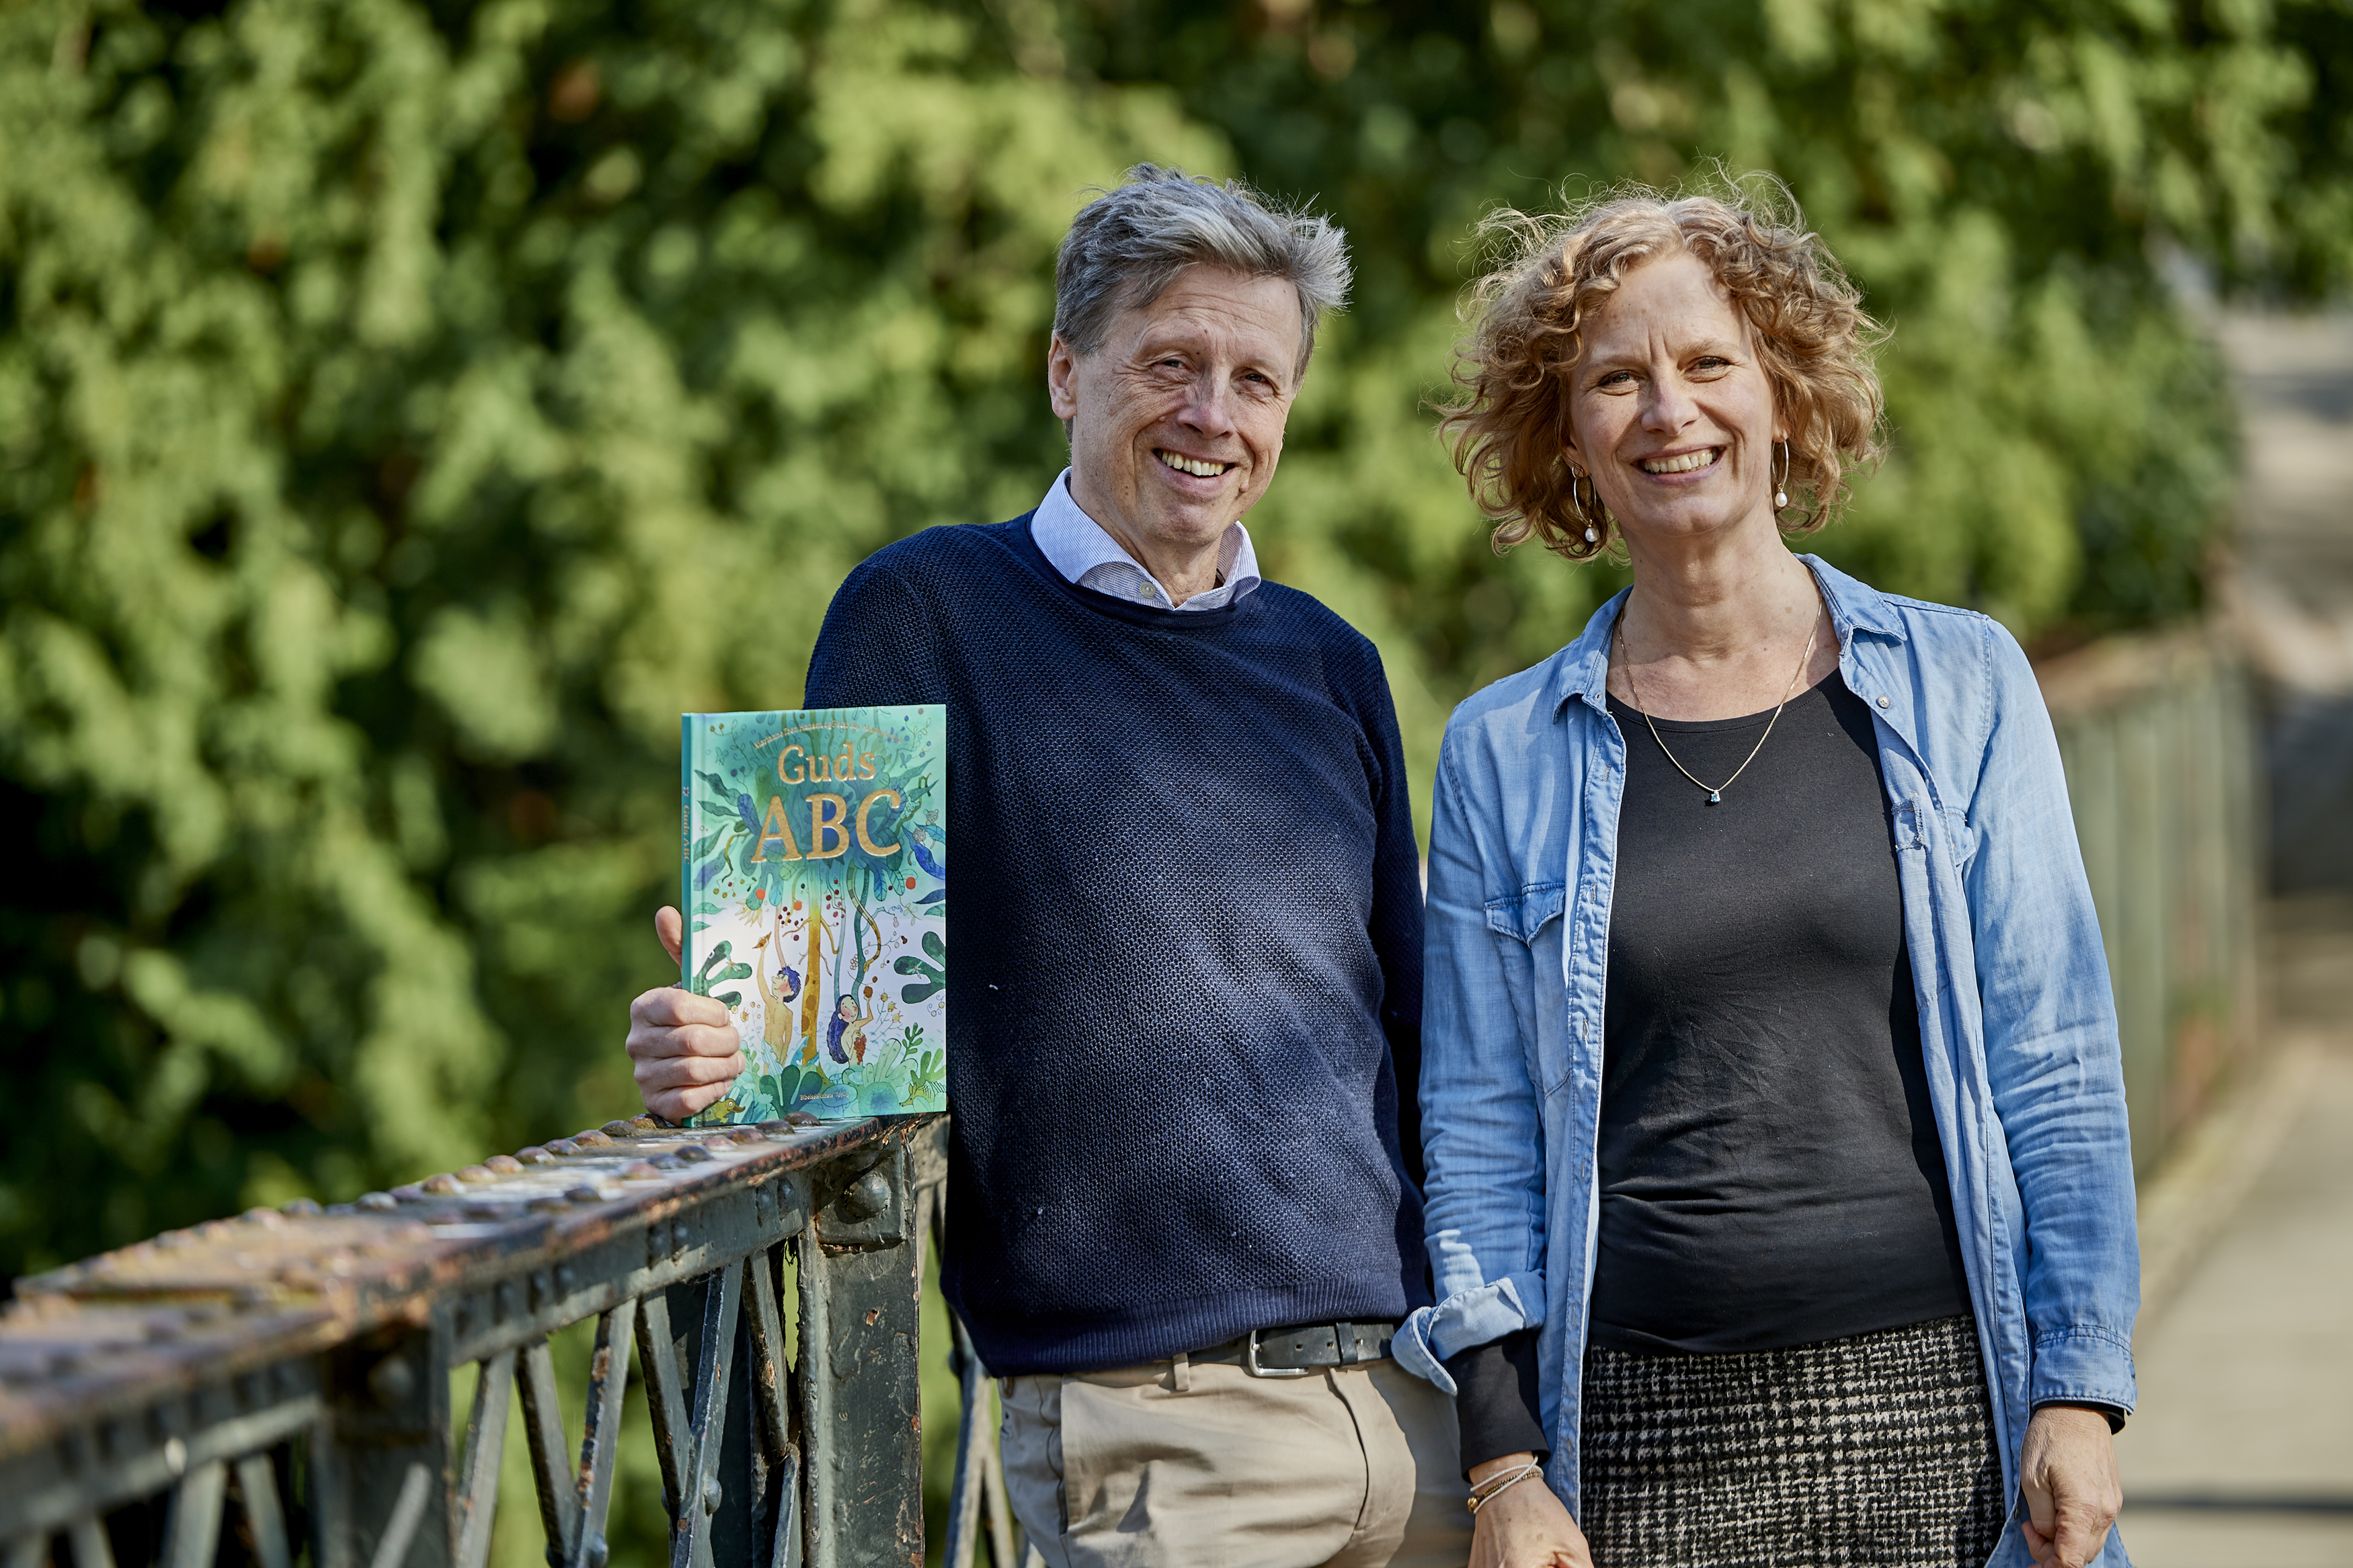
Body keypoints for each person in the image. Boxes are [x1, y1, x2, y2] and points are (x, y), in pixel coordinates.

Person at [624, 166, 1468, 1568]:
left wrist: (1496, 1425)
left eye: (1257, 380)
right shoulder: (921, 610)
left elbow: (1423, 1038)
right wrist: (718, 1052)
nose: (1214, 414)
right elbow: (809, 1033)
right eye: (1171, 364)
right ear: (1066, 370)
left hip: (1416, 1414)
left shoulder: (1334, 661)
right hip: (1158, 1434)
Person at [1394, 182, 2139, 1568]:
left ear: (1783, 397)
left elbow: (2057, 1063)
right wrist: (1503, 1468)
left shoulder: (1960, 683)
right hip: (1631, 1438)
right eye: (1615, 378)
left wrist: (2079, 1391)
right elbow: (1480, 1133)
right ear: (1567, 439)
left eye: (1707, 363)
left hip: (1940, 1418)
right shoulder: (1503, 750)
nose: (1668, 410)